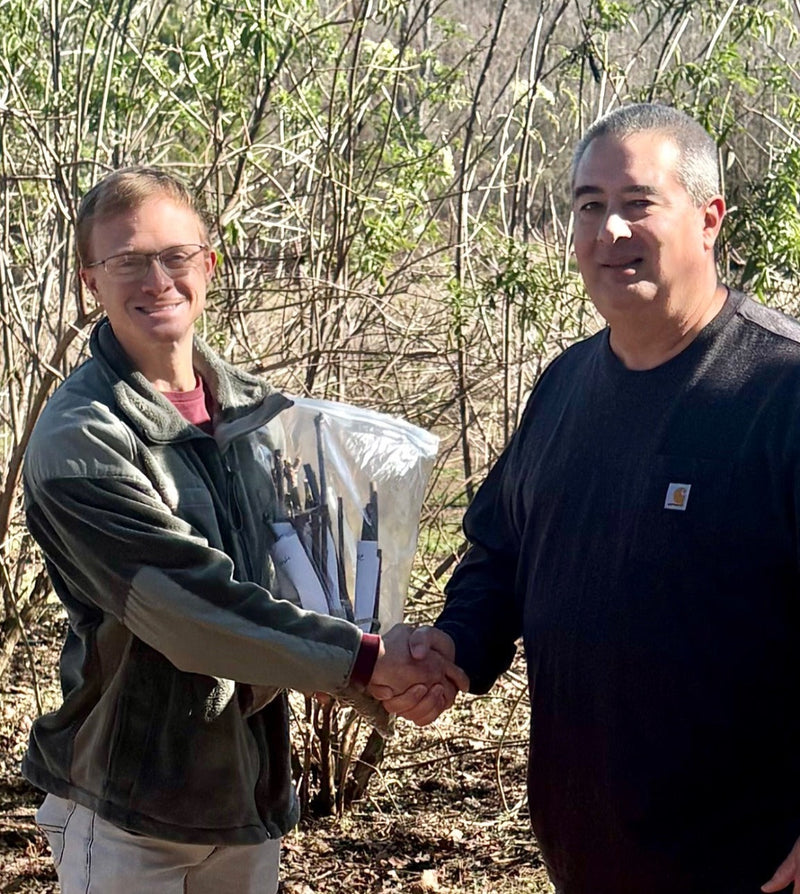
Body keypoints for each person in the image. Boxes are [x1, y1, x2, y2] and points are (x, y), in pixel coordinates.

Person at [380, 103, 800, 893]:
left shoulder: (780, 389)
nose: (610, 230)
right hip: (588, 854)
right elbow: (501, 553)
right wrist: (454, 649)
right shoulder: (566, 384)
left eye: (638, 203)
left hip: (749, 861)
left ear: (709, 218)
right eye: (589, 205)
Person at [22, 166, 467, 894]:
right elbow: (191, 613)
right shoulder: (81, 439)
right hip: (128, 811)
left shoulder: (258, 417)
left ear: (209, 265)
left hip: (245, 799)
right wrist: (365, 664)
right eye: (127, 261)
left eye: (175, 255)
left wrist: (372, 659)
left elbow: (296, 592)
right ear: (89, 282)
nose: (157, 280)